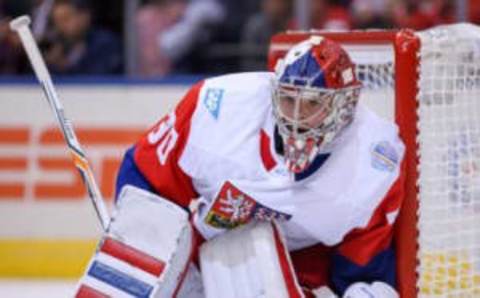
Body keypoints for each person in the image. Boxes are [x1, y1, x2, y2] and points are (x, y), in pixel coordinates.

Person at [115, 36, 405, 297]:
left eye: (313, 103)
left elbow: (361, 269)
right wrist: (137, 249)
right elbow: (145, 175)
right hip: (201, 256)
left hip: (301, 275)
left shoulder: (372, 162)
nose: (296, 117)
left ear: (344, 107)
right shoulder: (217, 107)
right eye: (289, 99)